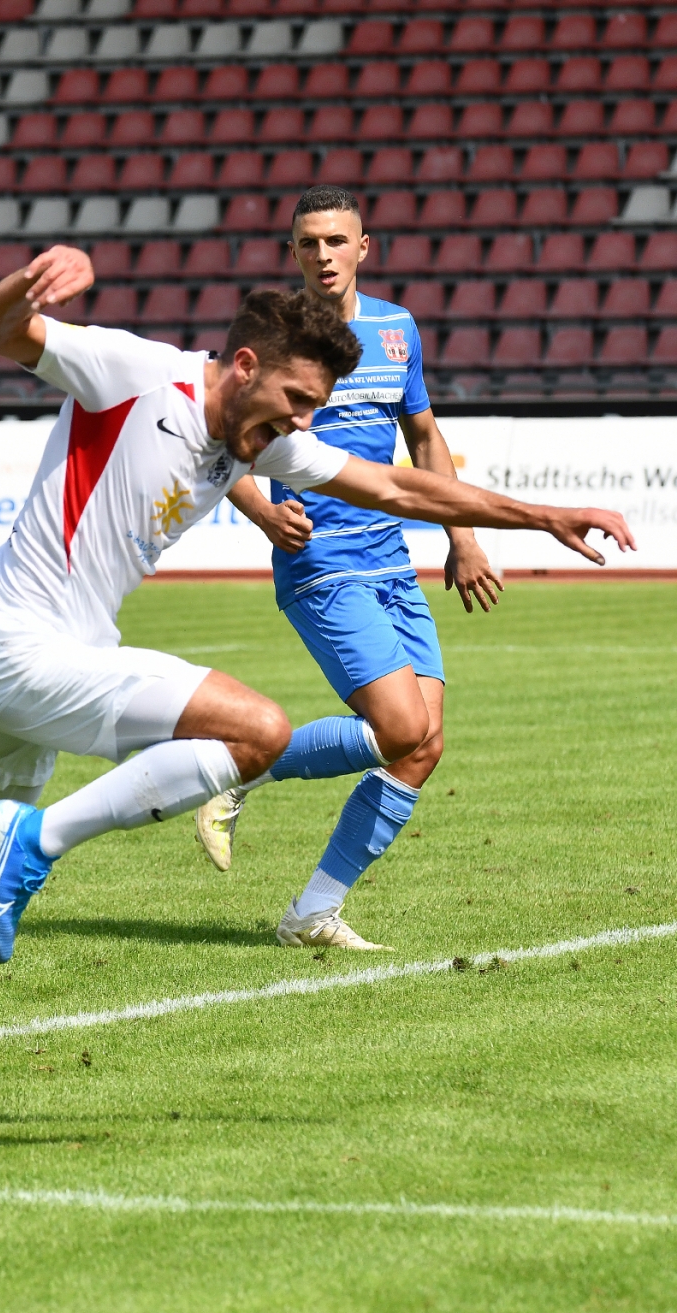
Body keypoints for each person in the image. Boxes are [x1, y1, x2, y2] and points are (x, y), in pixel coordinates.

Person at [0, 254, 634, 1011]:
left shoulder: (260, 440)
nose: (302, 422)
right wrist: (33, 280)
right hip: (14, 641)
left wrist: (544, 515)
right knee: (260, 731)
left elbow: (398, 486)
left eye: (313, 407)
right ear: (244, 364)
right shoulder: (138, 372)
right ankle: (42, 838)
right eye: (296, 399)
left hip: (42, 651)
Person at [191, 185, 505, 949]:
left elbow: (423, 436)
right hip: (320, 560)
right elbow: (216, 434)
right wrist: (263, 511)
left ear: (364, 247)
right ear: (293, 252)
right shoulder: (268, 336)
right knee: (400, 726)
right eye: (309, 242)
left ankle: (311, 913)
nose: (323, 254)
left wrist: (461, 536)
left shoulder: (397, 331)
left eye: (337, 240)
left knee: (422, 746)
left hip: (390, 557)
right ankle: (242, 766)